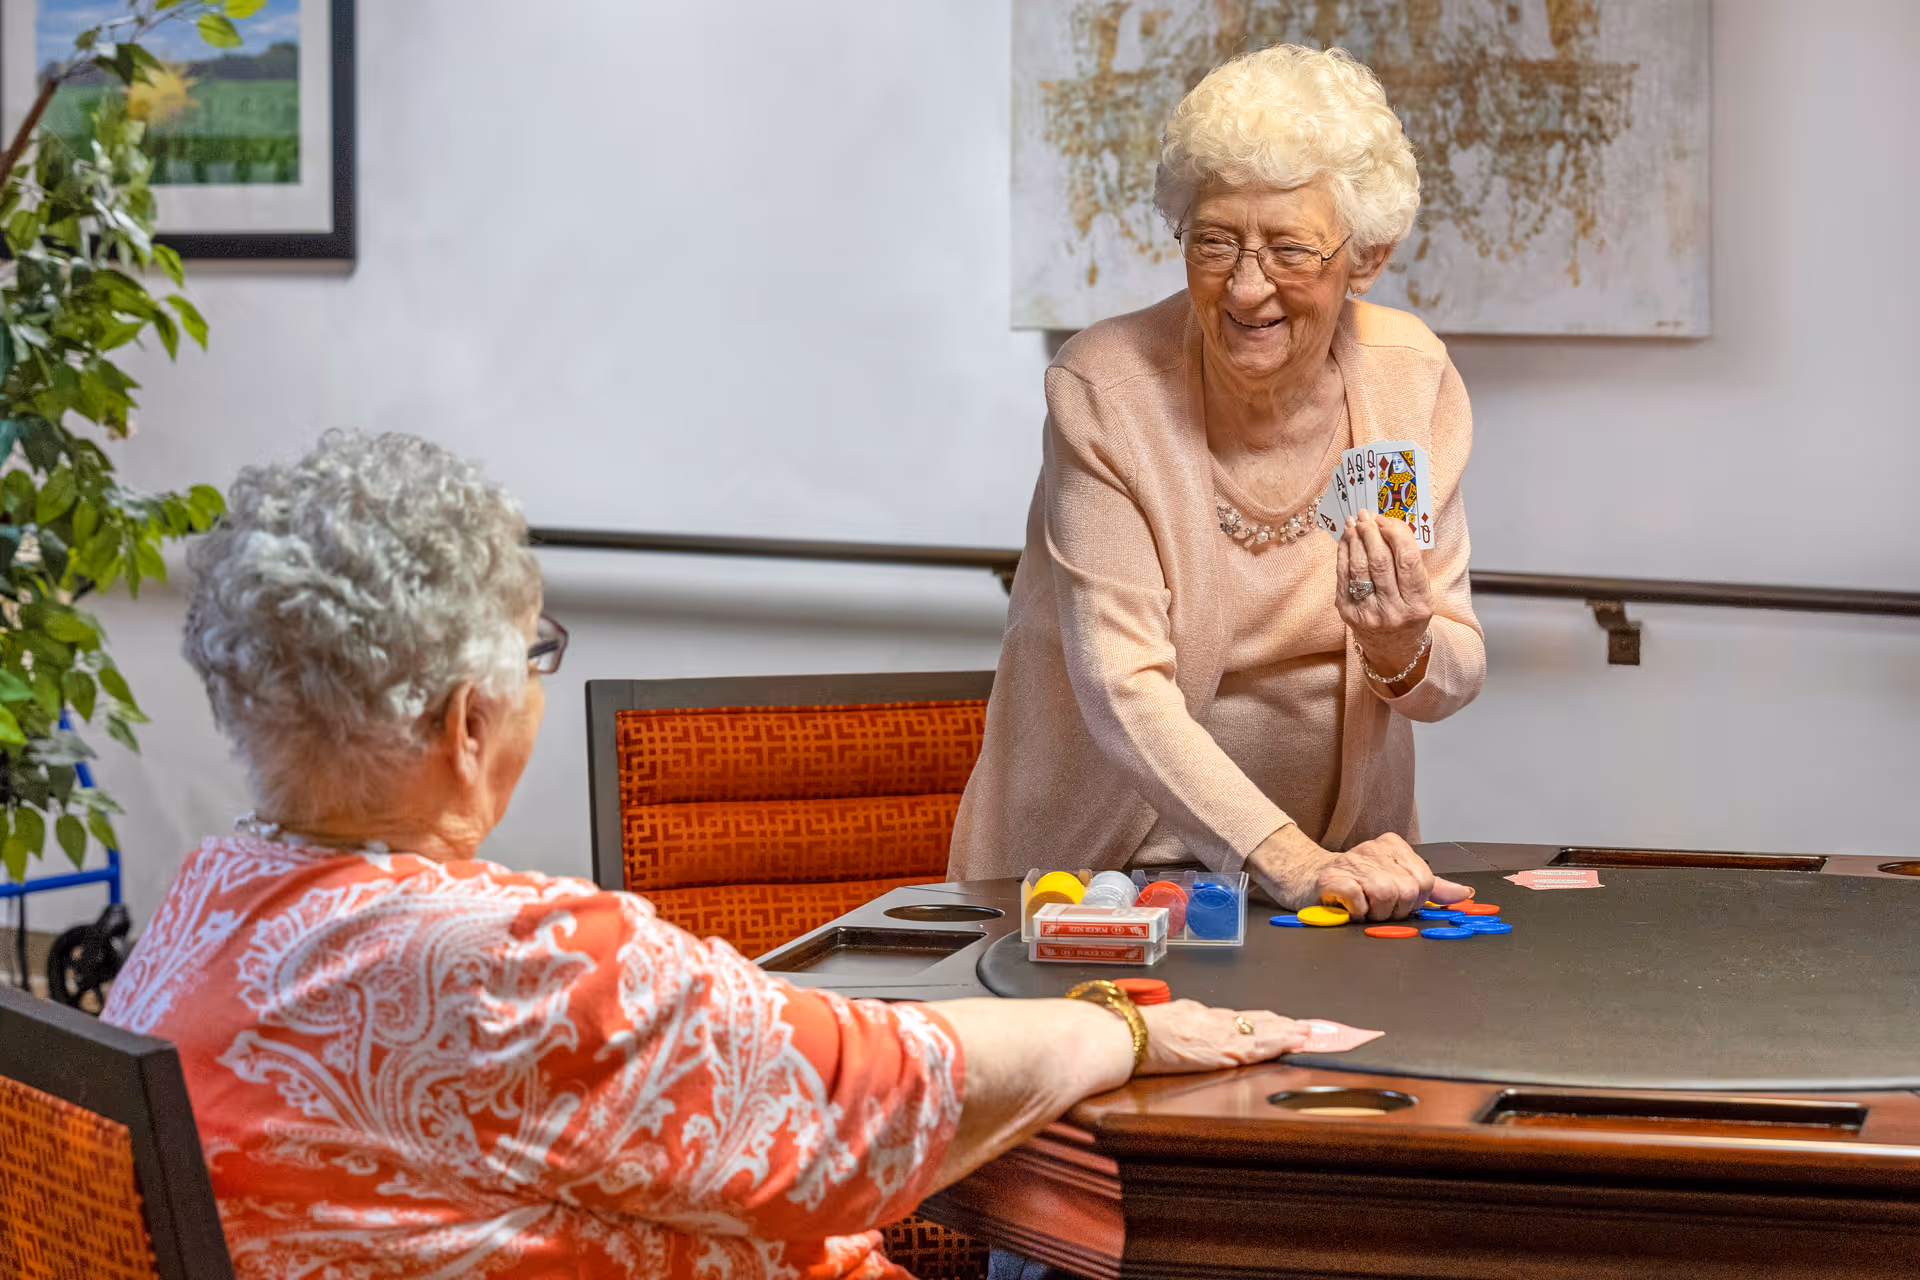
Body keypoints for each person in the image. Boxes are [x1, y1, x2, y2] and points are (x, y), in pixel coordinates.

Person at [98, 431, 1306, 1280]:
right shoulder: (526, 963)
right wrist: (1122, 1025)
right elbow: (870, 1099)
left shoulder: (203, 906)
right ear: (467, 724)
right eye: (534, 653)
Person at [951, 45, 1486, 921]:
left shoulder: (1409, 379)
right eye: (1215, 241)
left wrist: (1401, 649)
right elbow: (1120, 681)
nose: (1245, 287)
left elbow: (1455, 669)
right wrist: (1290, 860)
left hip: (1338, 876)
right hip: (1107, 870)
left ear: (1368, 257)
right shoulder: (1106, 388)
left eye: (1289, 250)